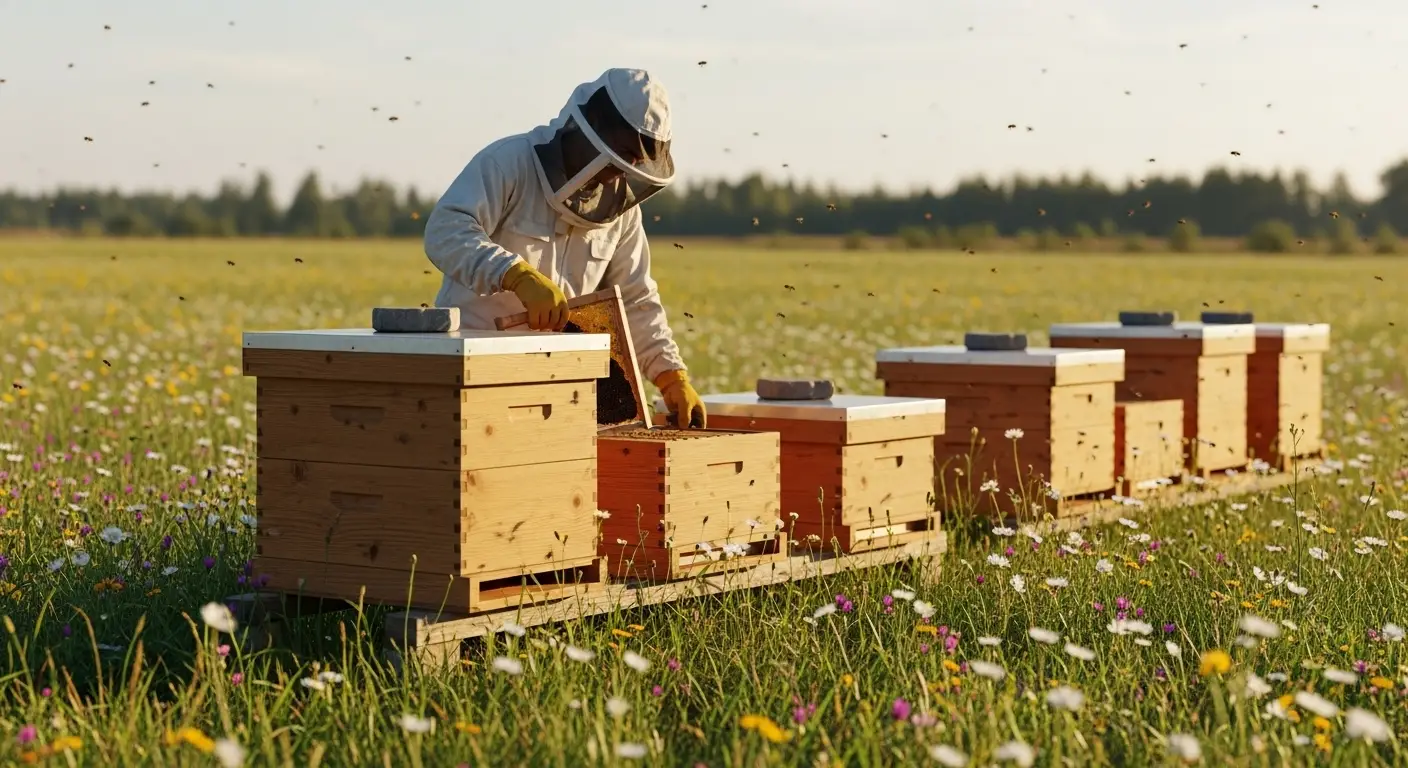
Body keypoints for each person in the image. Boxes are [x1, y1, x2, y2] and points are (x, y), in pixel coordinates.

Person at [423, 67, 706, 429]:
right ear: (591, 132)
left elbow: (635, 299)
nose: (620, 174)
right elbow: (446, 230)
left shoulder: (621, 211)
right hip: (475, 370)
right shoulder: (508, 163)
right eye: (619, 156)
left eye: (634, 164)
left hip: (559, 383)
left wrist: (670, 375)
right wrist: (514, 274)